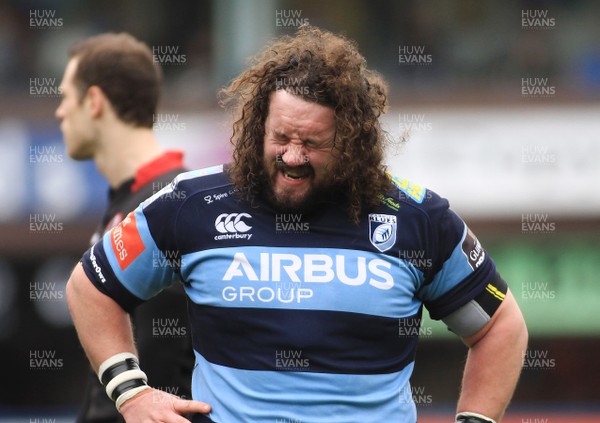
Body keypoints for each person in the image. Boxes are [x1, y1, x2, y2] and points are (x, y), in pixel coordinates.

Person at [65, 26, 528, 423]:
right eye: (280, 137)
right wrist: (131, 393)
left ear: (352, 141)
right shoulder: (192, 203)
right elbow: (91, 287)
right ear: (256, 127)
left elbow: (499, 327)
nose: (292, 156)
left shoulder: (417, 218)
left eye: (312, 142)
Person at [56, 32, 194, 422]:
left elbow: (163, 357)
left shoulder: (170, 202)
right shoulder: (132, 200)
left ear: (95, 102)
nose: (59, 112)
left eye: (66, 97)